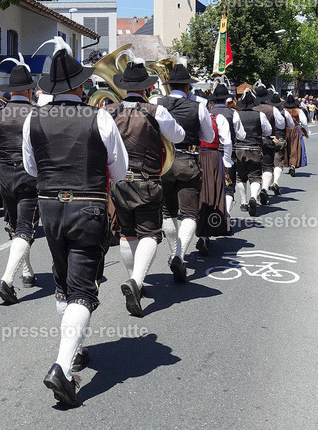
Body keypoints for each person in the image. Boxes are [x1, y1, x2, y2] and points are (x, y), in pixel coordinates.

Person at [23, 39, 127, 406]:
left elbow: (31, 168)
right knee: (84, 288)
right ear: (80, 86)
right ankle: (62, 367)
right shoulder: (98, 116)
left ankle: (74, 348)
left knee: (63, 279)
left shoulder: (32, 118)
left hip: (49, 207)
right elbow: (120, 168)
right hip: (89, 207)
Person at [104, 59, 184, 315]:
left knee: (127, 233)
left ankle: (134, 279)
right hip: (146, 180)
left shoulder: (108, 111)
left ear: (124, 87)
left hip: (118, 183)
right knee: (149, 234)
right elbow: (178, 137)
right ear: (147, 87)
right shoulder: (155, 110)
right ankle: (136, 281)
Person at [156, 61, 215, 283]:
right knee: (190, 213)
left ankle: (174, 253)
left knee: (167, 212)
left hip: (164, 163)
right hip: (188, 160)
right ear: (188, 87)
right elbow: (208, 137)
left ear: (170, 86)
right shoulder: (198, 106)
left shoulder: (157, 103)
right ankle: (178, 255)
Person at [0, 59, 41, 305]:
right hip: (27, 174)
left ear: (10, 90)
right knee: (25, 228)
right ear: (30, 90)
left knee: (16, 226)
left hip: (3, 173)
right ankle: (7, 279)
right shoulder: (35, 113)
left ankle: (27, 271)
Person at [207, 83, 246, 223]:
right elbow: (241, 135)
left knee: (211, 184)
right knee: (229, 185)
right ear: (225, 100)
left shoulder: (208, 113)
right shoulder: (233, 113)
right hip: (226, 152)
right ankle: (227, 212)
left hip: (209, 153)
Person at [233, 89, 273, 217]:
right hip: (254, 147)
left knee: (240, 176)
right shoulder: (259, 115)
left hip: (239, 147)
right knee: (255, 175)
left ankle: (244, 202)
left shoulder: (236, 114)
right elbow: (268, 130)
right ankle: (253, 198)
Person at [253, 85, 286, 205]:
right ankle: (264, 189)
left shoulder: (251, 108)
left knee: (255, 169)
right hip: (267, 140)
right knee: (267, 166)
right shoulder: (272, 109)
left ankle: (254, 194)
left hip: (252, 141)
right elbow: (281, 124)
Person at [283, 94, 309, 176]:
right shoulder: (298, 111)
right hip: (295, 129)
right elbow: (304, 122)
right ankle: (293, 164)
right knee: (294, 147)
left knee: (286, 148)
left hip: (285, 129)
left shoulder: (283, 111)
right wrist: (307, 132)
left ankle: (287, 163)